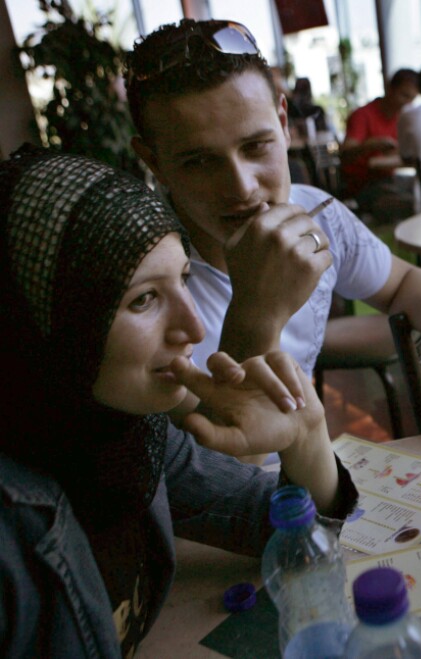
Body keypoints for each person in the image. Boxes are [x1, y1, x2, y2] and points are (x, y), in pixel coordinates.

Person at [0, 147, 358, 657]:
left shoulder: (126, 434)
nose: (194, 328)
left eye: (184, 279)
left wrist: (305, 434)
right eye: (143, 299)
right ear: (45, 326)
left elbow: (278, 528)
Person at [125, 19, 421, 443]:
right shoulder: (139, 286)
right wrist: (257, 310)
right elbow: (213, 474)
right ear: (154, 161)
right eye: (199, 162)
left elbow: (402, 282)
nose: (243, 187)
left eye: (255, 147)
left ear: (284, 123)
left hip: (312, 474)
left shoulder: (318, 212)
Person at [340, 68, 419, 224]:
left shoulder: (401, 118)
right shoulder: (363, 115)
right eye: (404, 96)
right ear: (390, 89)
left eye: (412, 99)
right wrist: (370, 145)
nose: (407, 103)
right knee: (410, 202)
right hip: (363, 186)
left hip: (388, 179)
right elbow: (345, 154)